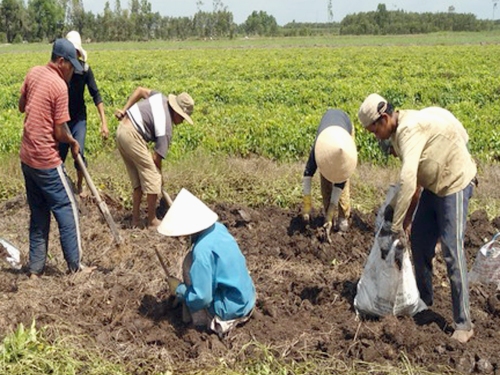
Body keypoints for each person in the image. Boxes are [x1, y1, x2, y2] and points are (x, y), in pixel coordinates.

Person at [358, 93, 477, 343]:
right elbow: (416, 184)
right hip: (433, 186)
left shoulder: (408, 130)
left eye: (373, 131)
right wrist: (409, 220)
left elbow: (408, 179)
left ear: (385, 118)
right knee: (420, 242)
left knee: (452, 251)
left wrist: (396, 225)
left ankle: (464, 323)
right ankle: (423, 301)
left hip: (454, 182)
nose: (375, 136)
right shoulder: (398, 133)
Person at [19, 39, 93, 277]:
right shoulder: (59, 86)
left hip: (27, 157)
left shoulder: (33, 73)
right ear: (61, 62)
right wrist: (72, 142)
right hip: (45, 158)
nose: (72, 71)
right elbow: (60, 132)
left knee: (39, 213)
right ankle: (76, 267)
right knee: (67, 207)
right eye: (70, 65)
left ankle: (35, 269)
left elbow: (22, 106)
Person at [157, 188, 256, 336]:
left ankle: (201, 324)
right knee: (192, 263)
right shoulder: (218, 228)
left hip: (231, 309)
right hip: (246, 298)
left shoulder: (201, 251)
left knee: (188, 264)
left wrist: (180, 290)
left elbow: (202, 297)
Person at [114, 87, 194, 228]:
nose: (181, 121)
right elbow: (157, 158)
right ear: (176, 111)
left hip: (121, 130)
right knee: (154, 177)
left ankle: (136, 220)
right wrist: (159, 178)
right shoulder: (166, 128)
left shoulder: (160, 97)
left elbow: (139, 90)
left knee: (138, 181)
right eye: (182, 117)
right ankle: (152, 220)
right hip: (133, 136)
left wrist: (125, 110)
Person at [59, 30, 109, 195]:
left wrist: (104, 122)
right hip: (62, 119)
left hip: (79, 119)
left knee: (78, 153)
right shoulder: (59, 71)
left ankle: (80, 186)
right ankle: (61, 187)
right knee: (58, 155)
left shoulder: (85, 70)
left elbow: (96, 95)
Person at [301, 109, 358, 242]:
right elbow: (308, 174)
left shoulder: (345, 155)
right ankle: (328, 221)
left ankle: (343, 219)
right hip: (328, 136)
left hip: (345, 132)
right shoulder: (319, 149)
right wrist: (307, 206)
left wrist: (334, 210)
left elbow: (339, 186)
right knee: (325, 181)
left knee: (343, 187)